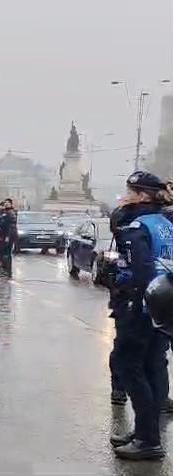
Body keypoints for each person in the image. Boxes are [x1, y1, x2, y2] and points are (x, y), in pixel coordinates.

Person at [107, 171, 172, 460]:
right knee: (152, 366)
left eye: (130, 191)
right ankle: (147, 432)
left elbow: (141, 272)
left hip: (141, 306)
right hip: (163, 305)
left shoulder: (136, 225)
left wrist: (128, 295)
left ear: (143, 195)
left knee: (128, 366)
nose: (125, 194)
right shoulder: (165, 222)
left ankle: (148, 440)